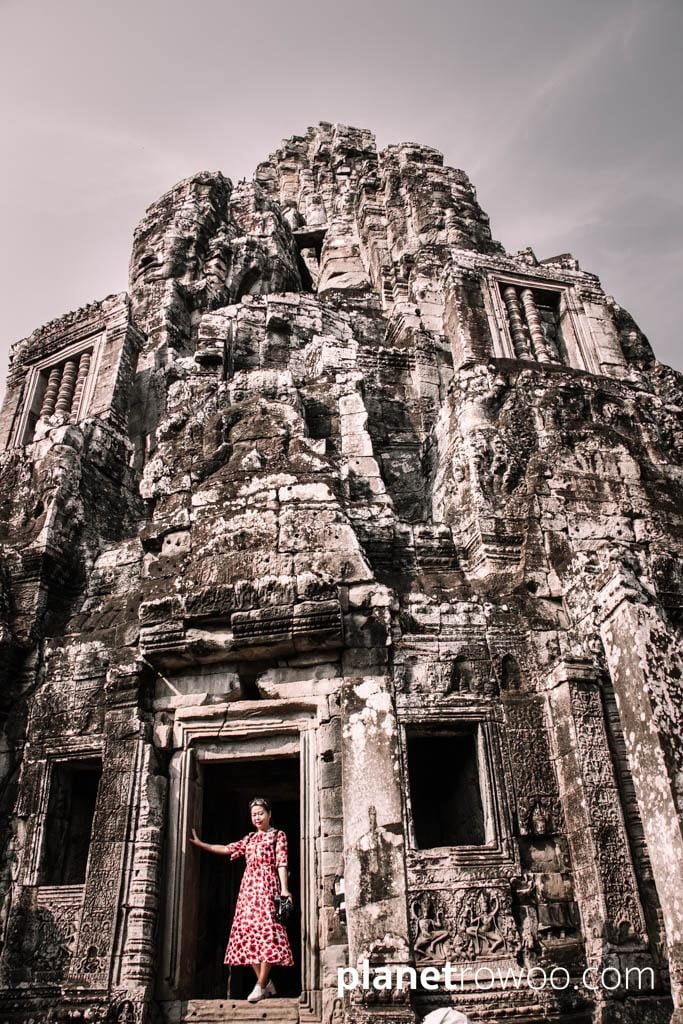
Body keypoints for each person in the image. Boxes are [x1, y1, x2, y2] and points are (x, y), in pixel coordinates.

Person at [189, 796, 293, 1002]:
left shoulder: (277, 836)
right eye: (253, 815)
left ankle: (260, 985)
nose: (257, 818)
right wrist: (202, 844)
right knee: (248, 933)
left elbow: (282, 862)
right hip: (248, 890)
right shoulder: (249, 839)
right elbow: (227, 848)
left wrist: (285, 890)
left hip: (267, 887)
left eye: (260, 813)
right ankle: (265, 983)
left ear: (269, 814)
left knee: (268, 932)